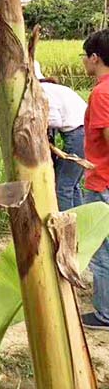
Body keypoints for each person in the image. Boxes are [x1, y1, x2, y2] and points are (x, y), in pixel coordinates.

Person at [79, 30, 109, 331]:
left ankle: (105, 314)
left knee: (102, 249)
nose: (84, 62)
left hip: (103, 181)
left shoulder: (101, 93)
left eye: (84, 56)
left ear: (95, 58)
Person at [34, 60, 88, 210]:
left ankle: (66, 221)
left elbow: (55, 120)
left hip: (78, 134)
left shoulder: (42, 91)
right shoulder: (54, 88)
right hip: (85, 132)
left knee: (62, 186)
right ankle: (79, 220)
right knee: (72, 184)